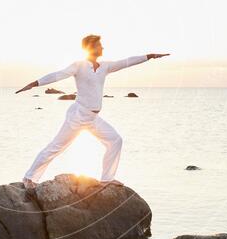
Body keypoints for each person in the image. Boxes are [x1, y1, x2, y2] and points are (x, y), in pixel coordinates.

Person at [15, 34, 169, 189]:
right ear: (91, 47)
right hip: (78, 115)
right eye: (99, 45)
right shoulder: (79, 65)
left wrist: (149, 56)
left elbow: (126, 62)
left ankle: (107, 178)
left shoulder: (105, 67)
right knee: (56, 147)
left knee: (115, 140)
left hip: (93, 118)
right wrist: (35, 83)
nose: (102, 47)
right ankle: (29, 178)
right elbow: (58, 75)